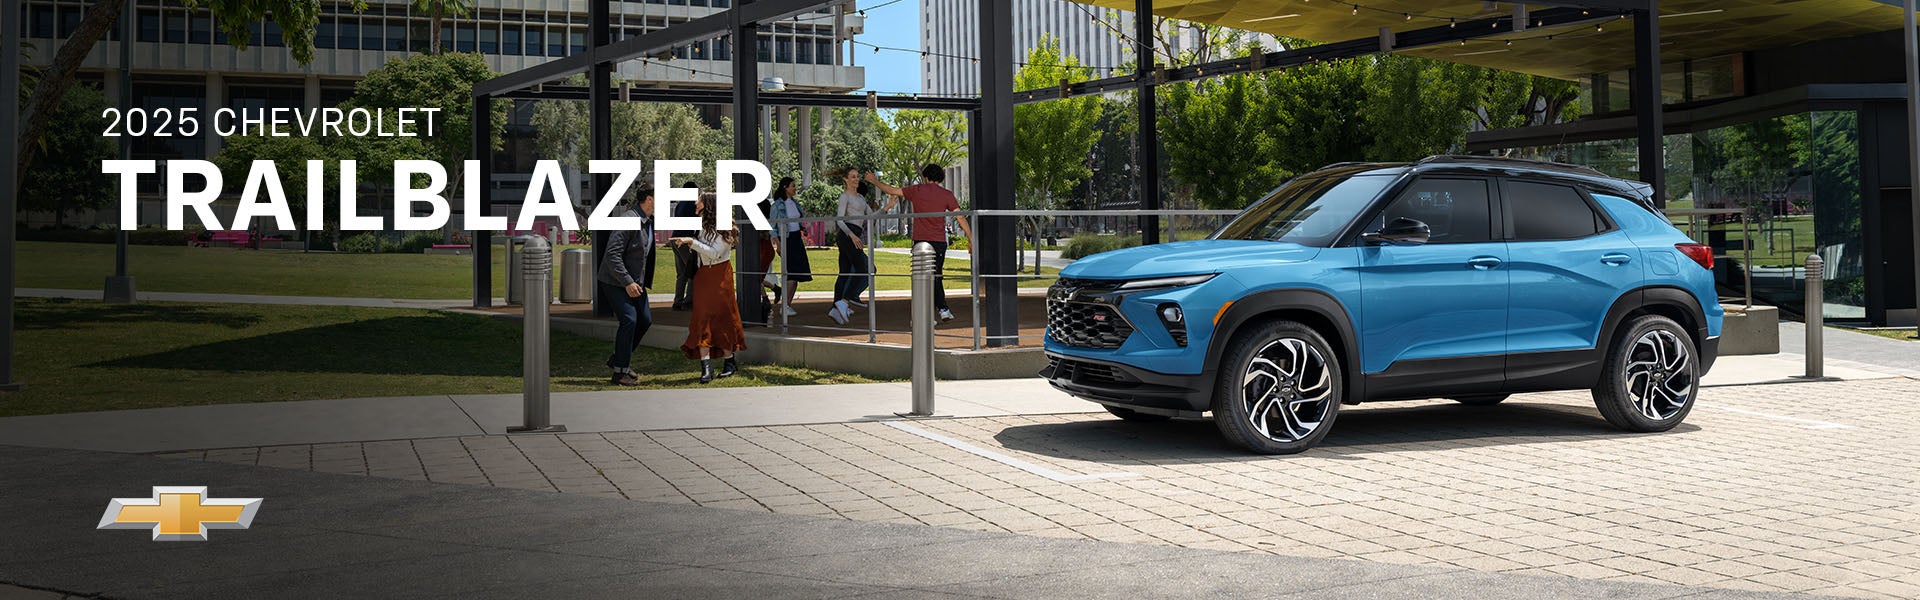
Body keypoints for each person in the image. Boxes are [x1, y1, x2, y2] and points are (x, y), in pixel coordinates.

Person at [870, 164, 972, 322]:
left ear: (925, 178)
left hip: (920, 240)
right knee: (935, 275)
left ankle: (929, 313)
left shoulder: (917, 190)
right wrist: (970, 238)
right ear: (941, 178)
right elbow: (960, 216)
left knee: (923, 278)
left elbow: (892, 190)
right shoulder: (947, 194)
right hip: (938, 241)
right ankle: (941, 309)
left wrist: (873, 180)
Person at [667, 193, 746, 383]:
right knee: (701, 318)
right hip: (704, 276)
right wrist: (690, 242)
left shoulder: (725, 228)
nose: (695, 202)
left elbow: (715, 254)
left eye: (699, 200)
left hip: (720, 278)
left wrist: (691, 242)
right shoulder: (702, 225)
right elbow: (706, 254)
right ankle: (706, 368)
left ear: (708, 205)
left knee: (723, 318)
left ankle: (729, 362)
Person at [595, 185, 657, 386]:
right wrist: (628, 282)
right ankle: (620, 372)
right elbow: (612, 255)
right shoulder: (629, 221)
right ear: (649, 199)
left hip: (634, 282)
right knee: (629, 319)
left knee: (644, 321)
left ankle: (618, 359)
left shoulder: (648, 221)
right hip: (615, 280)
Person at [829, 167, 874, 325]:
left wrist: (888, 206)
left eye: (857, 176)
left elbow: (871, 215)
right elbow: (840, 219)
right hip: (847, 235)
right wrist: (852, 235)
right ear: (846, 180)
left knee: (846, 272)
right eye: (853, 177)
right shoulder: (844, 196)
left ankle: (836, 308)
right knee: (866, 268)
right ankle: (845, 300)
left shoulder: (861, 197)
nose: (856, 179)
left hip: (854, 234)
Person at [767, 176, 814, 319]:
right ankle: (784, 306)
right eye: (792, 186)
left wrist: (802, 228)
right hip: (786, 239)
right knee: (791, 272)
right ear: (785, 187)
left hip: (796, 239)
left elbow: (797, 220)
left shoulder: (795, 203)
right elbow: (772, 226)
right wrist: (778, 244)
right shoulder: (777, 206)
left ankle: (787, 304)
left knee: (798, 273)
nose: (795, 188)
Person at [669, 181, 702, 311]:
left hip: (675, 239)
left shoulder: (680, 204)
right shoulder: (691, 203)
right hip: (684, 241)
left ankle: (677, 301)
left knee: (681, 273)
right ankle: (688, 302)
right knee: (693, 271)